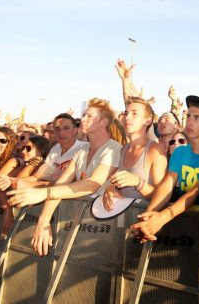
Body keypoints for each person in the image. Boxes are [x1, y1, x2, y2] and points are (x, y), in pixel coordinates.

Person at [7, 98, 121, 256]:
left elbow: (91, 184)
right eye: (83, 115)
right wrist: (43, 220)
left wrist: (41, 193)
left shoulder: (114, 149)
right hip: (82, 223)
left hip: (105, 227)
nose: (83, 119)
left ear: (102, 122)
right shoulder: (82, 150)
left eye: (89, 116)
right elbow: (60, 184)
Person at [131, 95, 199, 242]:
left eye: (197, 118)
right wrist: (148, 217)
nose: (190, 121)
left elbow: (196, 190)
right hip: (181, 224)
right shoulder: (180, 152)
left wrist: (163, 217)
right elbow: (167, 184)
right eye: (189, 116)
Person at [103, 97, 167, 210]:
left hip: (145, 219)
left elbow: (161, 196)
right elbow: (118, 184)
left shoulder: (155, 151)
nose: (127, 117)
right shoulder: (123, 150)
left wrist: (138, 182)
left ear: (148, 120)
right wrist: (111, 189)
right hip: (123, 219)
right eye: (126, 113)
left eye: (134, 114)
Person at [0, 113, 84, 190]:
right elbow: (37, 177)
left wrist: (30, 185)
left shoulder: (83, 149)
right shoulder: (55, 149)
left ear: (75, 130)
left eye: (66, 128)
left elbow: (69, 184)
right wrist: (10, 180)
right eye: (57, 129)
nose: (61, 132)